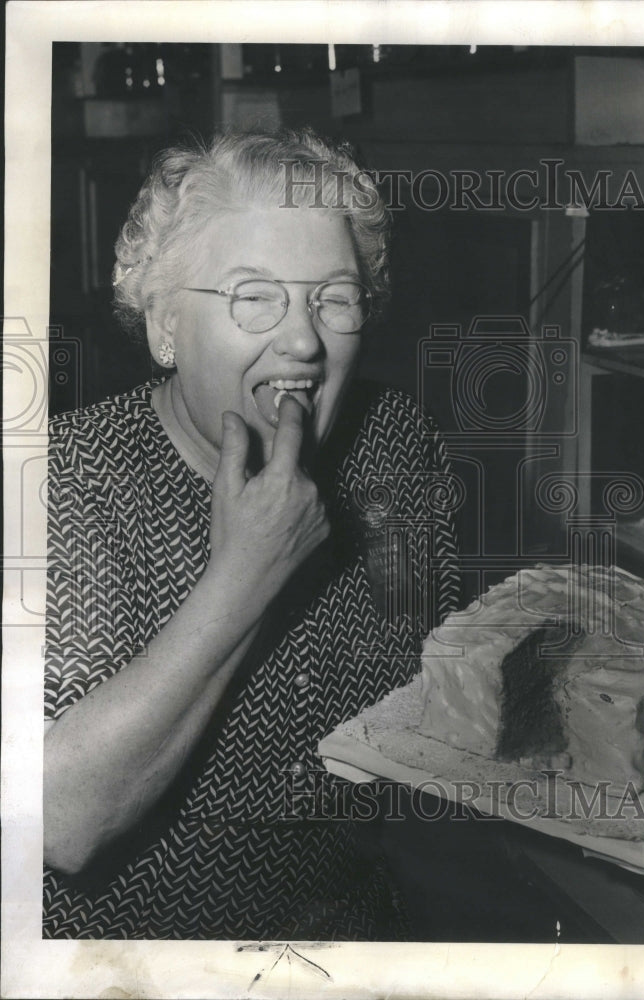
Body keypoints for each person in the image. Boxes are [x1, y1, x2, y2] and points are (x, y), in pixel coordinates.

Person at [43, 127, 460, 939]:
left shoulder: (395, 445)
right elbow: (60, 822)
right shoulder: (66, 479)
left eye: (333, 298)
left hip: (354, 934)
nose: (303, 340)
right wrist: (248, 575)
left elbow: (438, 710)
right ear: (164, 324)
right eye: (252, 296)